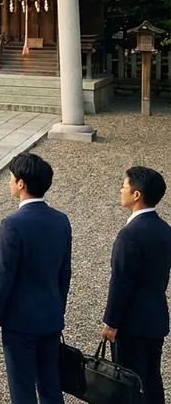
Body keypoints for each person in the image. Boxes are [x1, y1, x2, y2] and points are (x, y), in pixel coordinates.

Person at [0, 153, 71, 404]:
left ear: (21, 184)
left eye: (12, 178)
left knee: (22, 388)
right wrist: (58, 306)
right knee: (50, 386)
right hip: (50, 315)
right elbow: (65, 271)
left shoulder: (12, 224)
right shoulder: (61, 220)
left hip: (20, 321)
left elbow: (4, 274)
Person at [101, 166, 171, 404]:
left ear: (136, 195)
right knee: (152, 381)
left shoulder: (129, 235)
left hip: (132, 324)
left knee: (130, 385)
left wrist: (111, 322)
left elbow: (121, 282)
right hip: (156, 317)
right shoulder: (165, 230)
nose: (121, 189)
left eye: (124, 185)